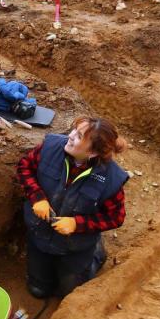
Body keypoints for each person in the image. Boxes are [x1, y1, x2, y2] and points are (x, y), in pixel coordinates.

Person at [17, 117, 129, 298]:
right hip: (40, 236)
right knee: (38, 291)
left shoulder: (110, 179)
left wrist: (77, 224)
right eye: (74, 131)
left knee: (69, 293)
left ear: (92, 152)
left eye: (78, 136)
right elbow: (25, 167)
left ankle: (96, 255)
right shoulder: (50, 148)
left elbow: (115, 217)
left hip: (75, 246)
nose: (70, 136)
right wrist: (37, 198)